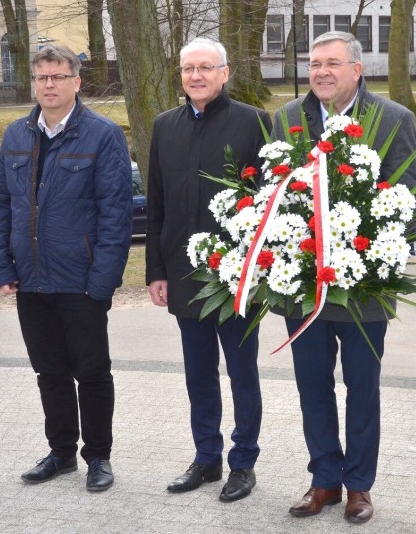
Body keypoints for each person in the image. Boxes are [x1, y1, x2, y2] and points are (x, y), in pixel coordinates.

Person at [271, 31, 416, 525]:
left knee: (362, 387)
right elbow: (273, 198)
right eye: (315, 63)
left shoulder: (393, 119)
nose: (321, 72)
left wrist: (377, 258)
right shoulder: (288, 119)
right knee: (312, 387)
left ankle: (359, 486)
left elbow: (407, 199)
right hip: (303, 288)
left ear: (358, 70)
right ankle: (324, 481)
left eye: (332, 63)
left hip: (363, 290)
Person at [0, 45, 133, 492]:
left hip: (82, 280)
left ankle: (99, 458)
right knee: (48, 370)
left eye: (57, 76)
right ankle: (61, 452)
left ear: (77, 81)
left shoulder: (102, 135)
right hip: (30, 278)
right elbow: (1, 205)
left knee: (91, 372)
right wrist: (2, 264)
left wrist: (102, 280)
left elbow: (116, 213)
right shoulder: (16, 134)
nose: (48, 84)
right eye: (41, 77)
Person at [146, 38, 271, 503]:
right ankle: (206, 457)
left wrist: (261, 272)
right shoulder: (165, 126)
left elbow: (272, 203)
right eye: (187, 69)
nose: (195, 76)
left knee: (242, 373)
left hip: (238, 277)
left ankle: (243, 462)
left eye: (205, 68)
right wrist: (155, 270)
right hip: (182, 272)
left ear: (225, 72)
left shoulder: (255, 122)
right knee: (198, 374)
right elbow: (155, 202)